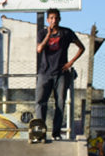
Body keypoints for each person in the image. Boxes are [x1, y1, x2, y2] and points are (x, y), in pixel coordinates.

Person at [34, 8, 85, 142]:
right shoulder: (42, 33)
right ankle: (40, 132)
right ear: (47, 20)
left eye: (56, 18)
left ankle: (56, 133)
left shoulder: (66, 32)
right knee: (40, 102)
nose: (54, 20)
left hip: (61, 73)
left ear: (60, 19)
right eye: (51, 18)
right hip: (45, 73)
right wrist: (48, 35)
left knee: (60, 103)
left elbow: (82, 47)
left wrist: (70, 62)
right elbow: (39, 49)